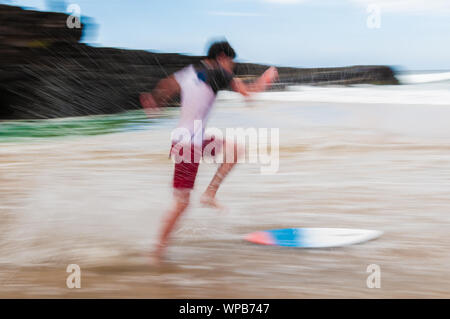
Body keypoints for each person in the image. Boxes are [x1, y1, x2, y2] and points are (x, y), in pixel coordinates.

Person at [140, 41, 278, 262]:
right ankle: (157, 251)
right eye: (231, 63)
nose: (231, 68)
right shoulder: (218, 74)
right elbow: (248, 93)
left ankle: (210, 193)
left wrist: (155, 102)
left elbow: (167, 86)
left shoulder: (191, 72)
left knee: (235, 149)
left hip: (191, 139)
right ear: (222, 57)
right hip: (189, 145)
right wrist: (266, 79)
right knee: (182, 203)